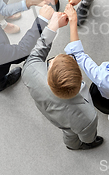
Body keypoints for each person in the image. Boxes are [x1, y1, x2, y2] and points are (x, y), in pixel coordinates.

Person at [22, 11, 104, 150]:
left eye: (51, 61)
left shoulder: (31, 70)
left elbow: (38, 52)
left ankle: (71, 146)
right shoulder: (88, 117)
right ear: (80, 77)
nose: (52, 59)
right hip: (70, 122)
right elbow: (87, 136)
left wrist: (53, 26)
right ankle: (75, 146)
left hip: (46, 109)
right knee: (71, 133)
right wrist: (89, 141)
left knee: (67, 131)